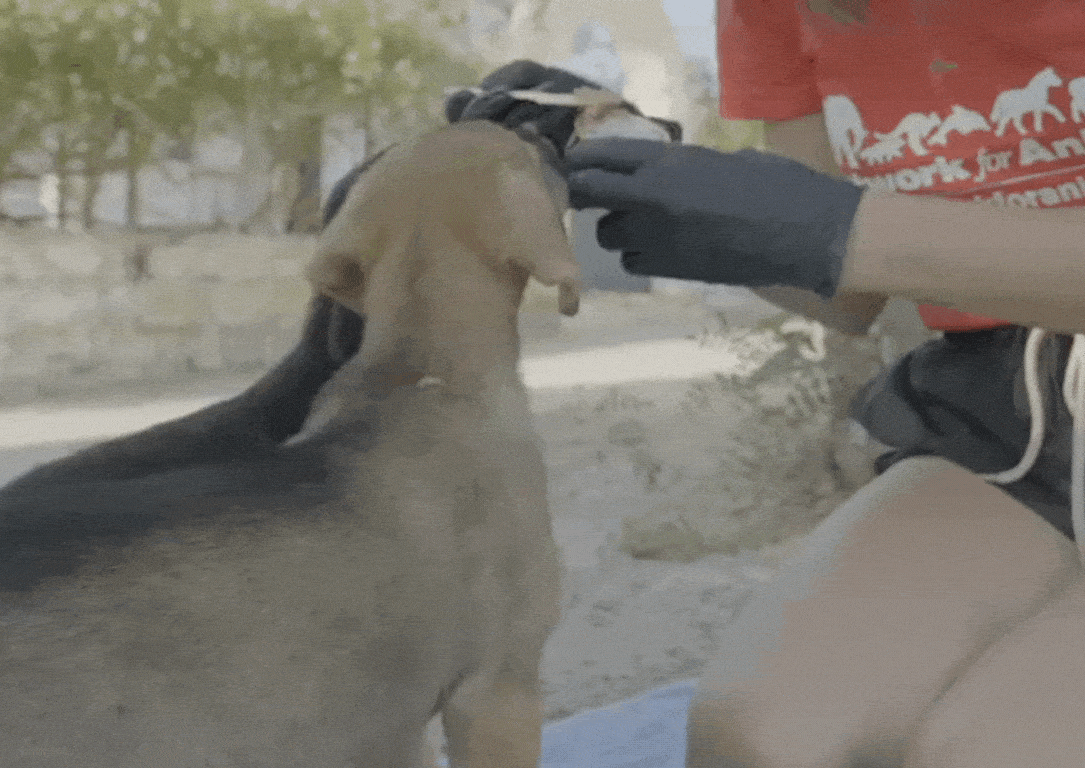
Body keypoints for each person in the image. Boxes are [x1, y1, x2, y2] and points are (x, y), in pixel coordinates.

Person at [439, 1, 1085, 765]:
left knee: (991, 749)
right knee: (762, 741)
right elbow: (844, 294)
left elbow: (856, 240)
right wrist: (641, 165)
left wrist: (849, 229)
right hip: (1005, 399)